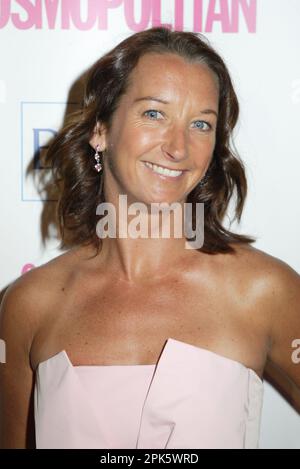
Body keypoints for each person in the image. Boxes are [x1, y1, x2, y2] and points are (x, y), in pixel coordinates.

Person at [0, 26, 299, 449]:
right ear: (100, 128)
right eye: (154, 114)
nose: (179, 147)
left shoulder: (263, 292)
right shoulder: (30, 304)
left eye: (200, 124)